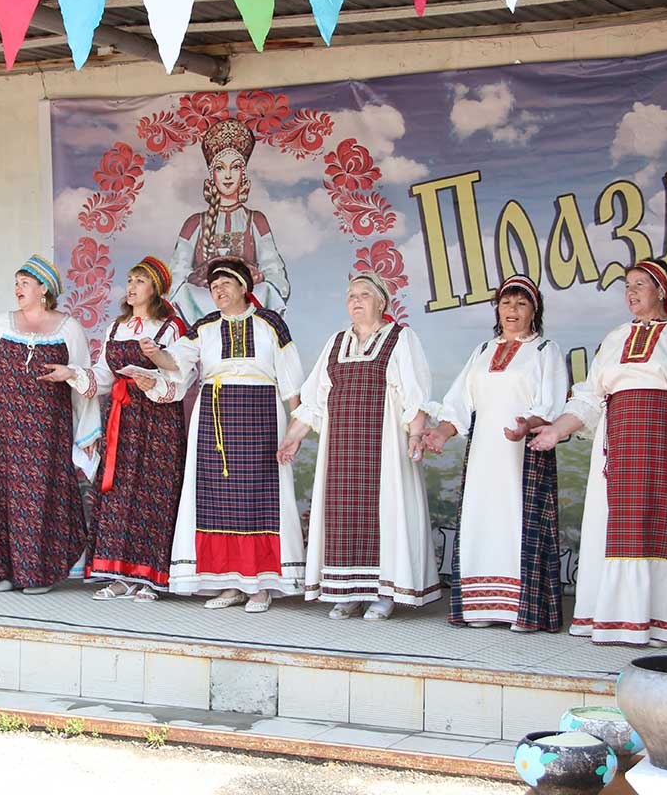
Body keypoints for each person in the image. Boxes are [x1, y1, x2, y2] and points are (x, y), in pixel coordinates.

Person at [529, 260, 667, 646]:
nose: (631, 293)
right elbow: (589, 399)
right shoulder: (615, 338)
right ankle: (621, 619)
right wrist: (556, 430)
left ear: (662, 291)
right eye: (627, 286)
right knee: (621, 530)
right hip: (620, 447)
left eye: (640, 285)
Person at [145, 256, 304, 613]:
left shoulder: (269, 323)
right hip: (214, 416)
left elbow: (291, 379)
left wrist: (296, 429)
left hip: (260, 413)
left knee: (258, 498)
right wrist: (156, 355)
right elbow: (178, 361)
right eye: (214, 287)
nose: (218, 290)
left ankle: (260, 585)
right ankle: (228, 581)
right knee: (216, 499)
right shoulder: (204, 326)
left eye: (226, 284)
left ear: (244, 288)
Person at [277, 272, 440, 620]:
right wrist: (292, 438)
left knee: (383, 513)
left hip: (384, 448)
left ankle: (384, 593)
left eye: (364, 294)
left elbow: (415, 393)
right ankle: (346, 590)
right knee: (342, 515)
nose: (356, 301)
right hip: (340, 450)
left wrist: (415, 436)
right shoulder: (336, 341)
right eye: (351, 295)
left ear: (381, 302)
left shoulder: (400, 338)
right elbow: (315, 398)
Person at [0, 255, 100, 594]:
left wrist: (87, 432)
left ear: (43, 289)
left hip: (46, 432)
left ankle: (36, 573)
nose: (17, 289)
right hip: (2, 429)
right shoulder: (2, 323)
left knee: (39, 499)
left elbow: (83, 377)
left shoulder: (68, 328)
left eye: (24, 283)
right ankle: (1, 570)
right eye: (16, 283)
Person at [41, 256, 192, 602]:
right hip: (121, 420)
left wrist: (149, 378)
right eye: (130, 280)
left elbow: (180, 376)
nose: (132, 286)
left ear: (155, 288)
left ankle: (150, 578)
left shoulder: (170, 328)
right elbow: (103, 377)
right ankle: (119, 575)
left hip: (157, 422)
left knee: (154, 495)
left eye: (140, 281)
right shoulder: (115, 327)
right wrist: (71, 374)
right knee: (118, 495)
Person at [423, 275, 567, 632]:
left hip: (524, 451)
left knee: (515, 523)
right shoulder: (483, 351)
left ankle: (522, 610)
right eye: (506, 303)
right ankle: (480, 606)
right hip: (485, 451)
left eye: (520, 304)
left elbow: (551, 403)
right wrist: (442, 432)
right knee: (481, 521)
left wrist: (527, 424)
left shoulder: (546, 350)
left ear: (535, 310)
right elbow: (460, 401)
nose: (512, 311)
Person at [168, 118, 290, 324]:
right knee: (187, 293)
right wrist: (195, 277)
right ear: (211, 175)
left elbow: (274, 271)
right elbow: (177, 273)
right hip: (204, 300)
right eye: (220, 168)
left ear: (243, 173)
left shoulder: (255, 221)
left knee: (266, 290)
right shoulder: (195, 223)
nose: (227, 176)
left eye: (234, 168)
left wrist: (257, 276)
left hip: (247, 300)